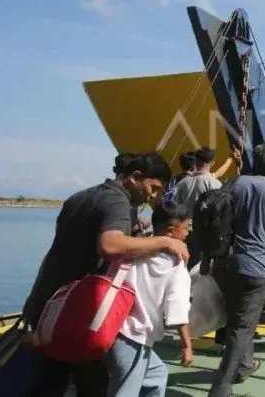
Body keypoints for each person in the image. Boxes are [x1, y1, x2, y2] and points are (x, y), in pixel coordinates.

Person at [23, 152, 187, 397]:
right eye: (153, 188)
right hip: (78, 314)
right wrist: (164, 242)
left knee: (49, 381)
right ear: (136, 177)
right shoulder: (118, 202)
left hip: (48, 305)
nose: (153, 196)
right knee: (92, 384)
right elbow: (110, 245)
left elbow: (54, 250)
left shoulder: (80, 197)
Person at [208, 143, 265, 397]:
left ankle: (246, 363)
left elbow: (215, 220)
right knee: (242, 328)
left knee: (236, 320)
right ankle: (221, 387)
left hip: (224, 263)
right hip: (255, 268)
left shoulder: (233, 184)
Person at [104, 201, 194, 397]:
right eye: (186, 228)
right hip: (133, 337)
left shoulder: (133, 249)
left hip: (109, 329)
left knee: (156, 375)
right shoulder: (175, 265)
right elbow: (177, 309)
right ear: (171, 231)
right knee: (125, 391)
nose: (188, 233)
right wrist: (187, 345)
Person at [175, 147, 223, 268]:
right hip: (204, 234)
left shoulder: (183, 183)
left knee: (183, 266)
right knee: (199, 270)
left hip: (184, 231)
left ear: (195, 162)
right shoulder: (215, 184)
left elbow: (176, 208)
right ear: (212, 162)